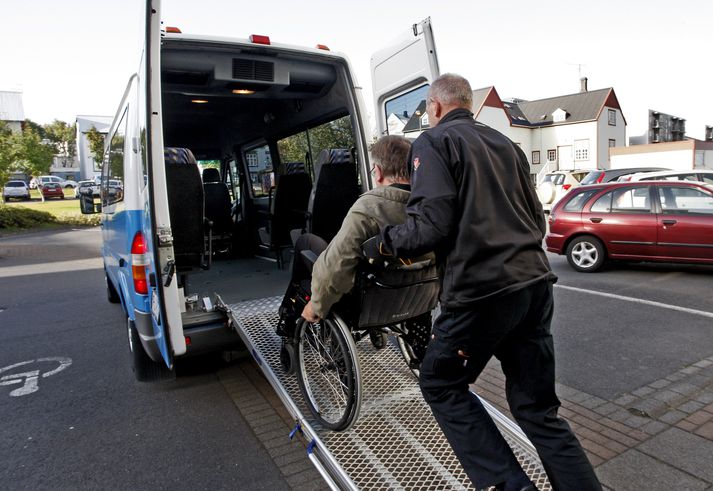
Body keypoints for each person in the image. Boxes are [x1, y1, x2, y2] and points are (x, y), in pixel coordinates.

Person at [364, 74, 601, 491]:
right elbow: (535, 216)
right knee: (538, 411)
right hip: (533, 284)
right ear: (467, 104)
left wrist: (381, 244)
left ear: (434, 107)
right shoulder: (507, 145)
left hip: (481, 293)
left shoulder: (433, 143)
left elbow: (430, 225)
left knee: (441, 383)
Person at [277, 135, 417, 328]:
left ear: (377, 172)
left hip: (365, 297)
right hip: (415, 293)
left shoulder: (368, 208)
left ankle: (288, 314)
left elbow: (336, 266)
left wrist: (317, 305)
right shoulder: (430, 205)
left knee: (305, 242)